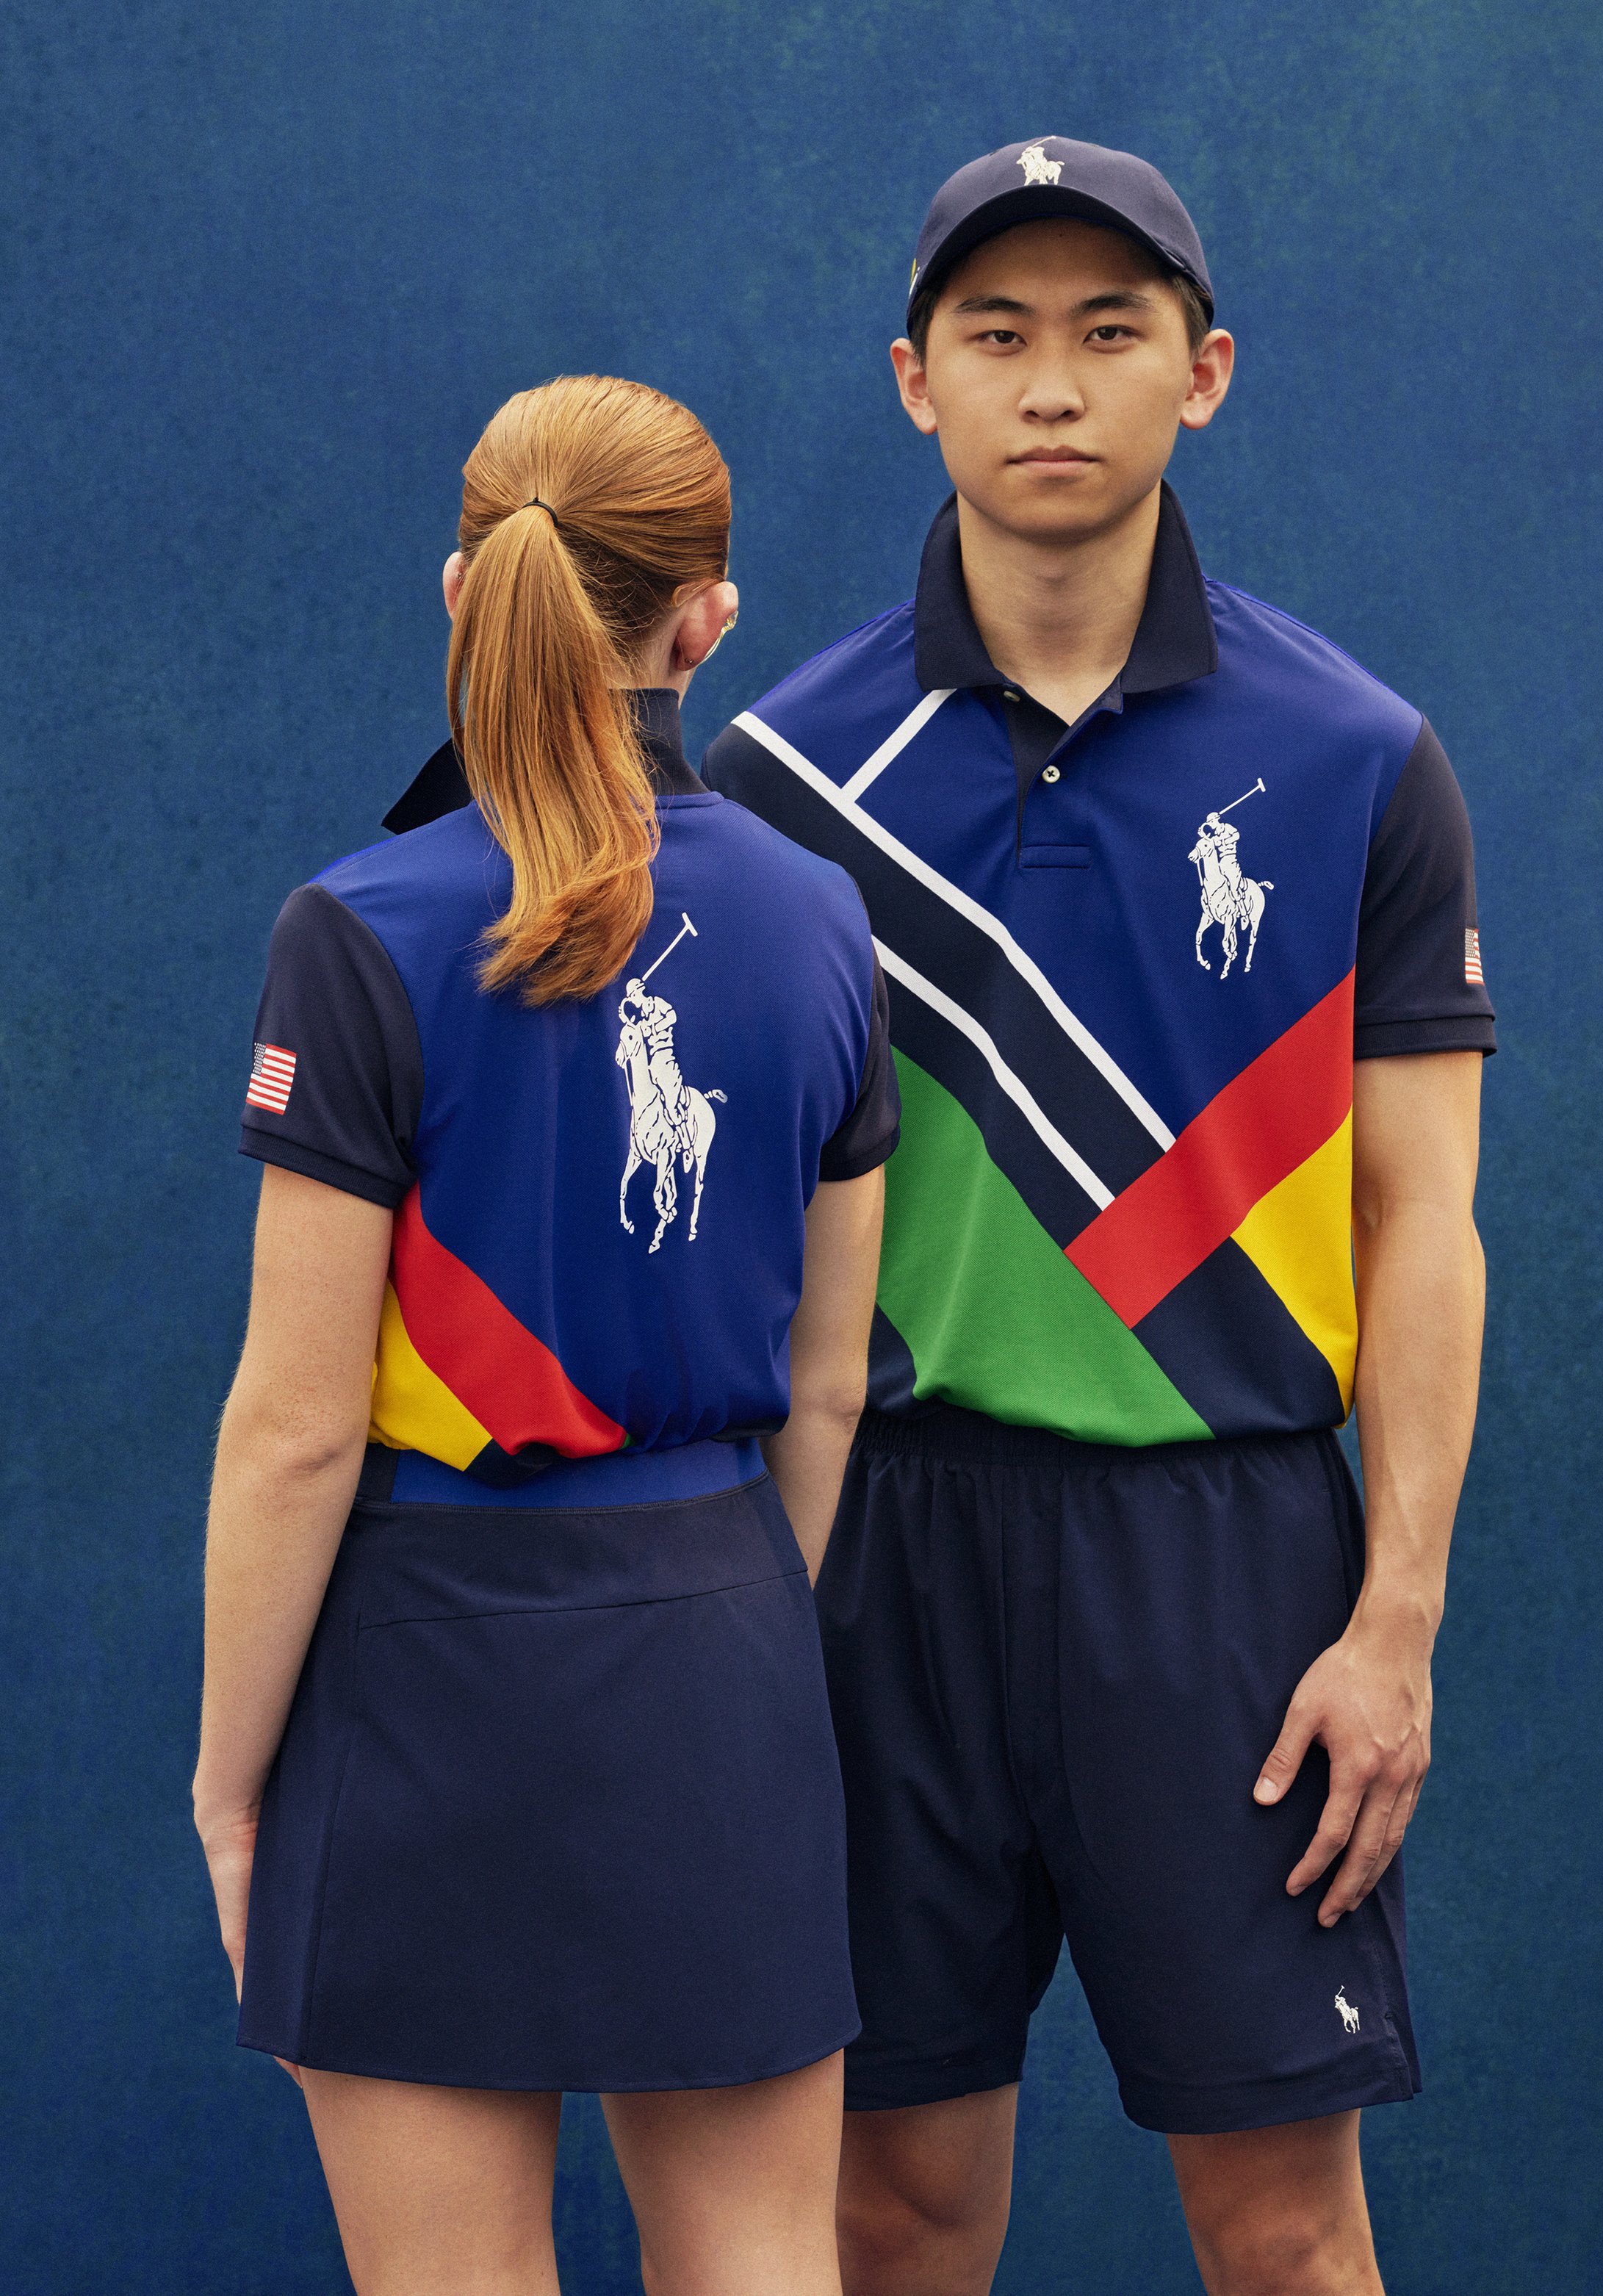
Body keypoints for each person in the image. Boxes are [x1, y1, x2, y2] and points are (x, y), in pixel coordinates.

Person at [704, 137, 1494, 2296]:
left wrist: (1396, 1624)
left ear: (1202, 374)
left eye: (1107, 332)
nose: (1051, 385)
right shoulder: (779, 784)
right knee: (887, 2217)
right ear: (914, 382)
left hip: (1229, 1569)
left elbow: (1427, 1223)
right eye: (997, 335)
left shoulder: (1358, 759)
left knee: (1286, 2234)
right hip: (878, 1554)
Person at [193, 373, 900, 2296]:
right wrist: (727, 1613)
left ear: (462, 591)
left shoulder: (354, 929)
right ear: (707, 620)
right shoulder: (825, 925)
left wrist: (232, 1784)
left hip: (418, 1675)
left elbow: (293, 1431)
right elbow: (830, 1387)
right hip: (719, 1649)